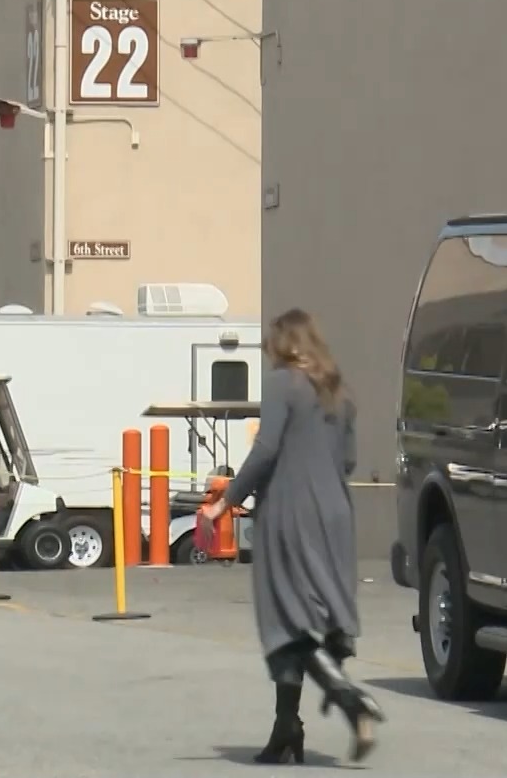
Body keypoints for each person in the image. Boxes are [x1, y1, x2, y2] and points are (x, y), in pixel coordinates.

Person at [203, 308, 384, 764]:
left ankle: (350, 701)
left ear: (281, 344)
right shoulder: (339, 390)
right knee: (309, 615)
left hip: (290, 509)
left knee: (285, 616)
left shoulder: (283, 383)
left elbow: (266, 449)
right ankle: (286, 728)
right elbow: (348, 461)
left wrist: (226, 501)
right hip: (335, 511)